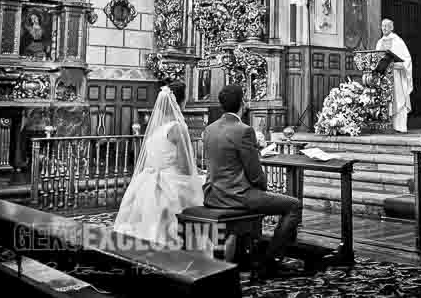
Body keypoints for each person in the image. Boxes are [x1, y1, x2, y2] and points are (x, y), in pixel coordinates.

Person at [203, 85, 301, 278]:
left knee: (264, 202)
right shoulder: (243, 130)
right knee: (294, 205)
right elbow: (255, 174)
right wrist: (263, 189)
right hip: (237, 196)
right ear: (243, 103)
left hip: (213, 195)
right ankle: (270, 261)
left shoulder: (209, 129)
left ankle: (249, 252)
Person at [114, 81, 203, 248]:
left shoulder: (155, 129)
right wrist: (199, 173)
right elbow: (185, 168)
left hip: (148, 182)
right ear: (181, 101)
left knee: (147, 228)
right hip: (172, 184)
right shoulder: (178, 127)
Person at [375, 19, 413, 133]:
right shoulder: (379, 42)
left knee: (398, 99)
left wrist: (399, 65)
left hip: (396, 75)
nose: (384, 28)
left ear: (392, 27)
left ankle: (400, 126)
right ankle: (386, 125)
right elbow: (376, 57)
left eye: (387, 26)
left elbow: (407, 59)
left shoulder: (398, 41)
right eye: (382, 26)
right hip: (384, 75)